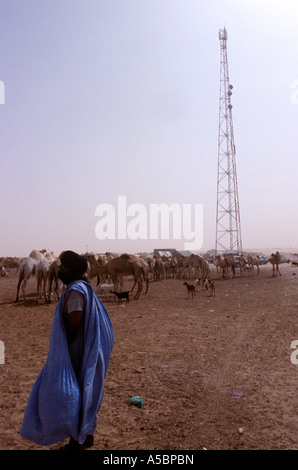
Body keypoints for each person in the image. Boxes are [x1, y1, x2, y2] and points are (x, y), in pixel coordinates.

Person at [20, 250, 114, 451]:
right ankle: (85, 435)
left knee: (77, 389)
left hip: (77, 347)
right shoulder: (83, 287)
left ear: (70, 269)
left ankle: (77, 439)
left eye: (63, 266)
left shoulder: (75, 291)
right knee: (84, 388)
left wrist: (65, 345)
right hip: (82, 345)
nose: (60, 270)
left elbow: (75, 319)